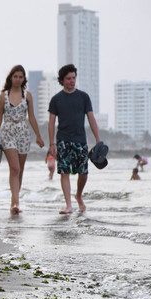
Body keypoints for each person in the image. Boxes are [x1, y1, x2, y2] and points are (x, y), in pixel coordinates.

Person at [48, 64, 101, 214]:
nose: (72, 81)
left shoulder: (83, 97)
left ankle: (78, 195)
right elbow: (51, 123)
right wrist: (52, 143)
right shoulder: (56, 99)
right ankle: (68, 205)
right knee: (64, 171)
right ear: (62, 80)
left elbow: (91, 118)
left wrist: (98, 139)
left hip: (80, 140)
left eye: (73, 78)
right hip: (63, 140)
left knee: (83, 172)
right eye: (68, 78)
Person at [0, 65, 45, 214]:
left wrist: (38, 135)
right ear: (11, 77)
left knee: (20, 170)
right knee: (14, 168)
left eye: (20, 77)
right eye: (15, 76)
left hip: (23, 133)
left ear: (24, 79)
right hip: (8, 132)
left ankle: (15, 201)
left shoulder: (27, 95)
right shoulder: (3, 96)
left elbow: (32, 117)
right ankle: (15, 202)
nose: (17, 79)